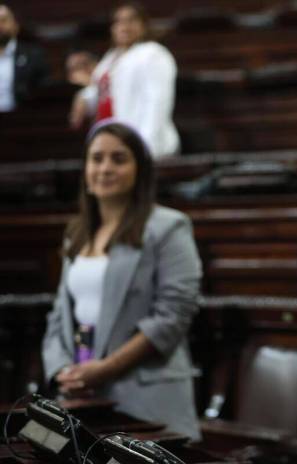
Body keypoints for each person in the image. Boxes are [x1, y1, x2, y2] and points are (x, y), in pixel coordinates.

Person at [41, 119, 201, 441]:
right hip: (82, 396)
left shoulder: (168, 227)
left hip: (146, 396)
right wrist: (62, 372)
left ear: (139, 169)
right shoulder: (77, 232)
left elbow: (173, 314)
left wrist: (108, 368)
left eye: (119, 158)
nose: (105, 168)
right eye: (96, 158)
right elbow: (59, 317)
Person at [69, 2, 180, 158]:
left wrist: (145, 147)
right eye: (118, 21)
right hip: (113, 141)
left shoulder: (153, 54)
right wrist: (85, 98)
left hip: (144, 143)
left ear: (143, 25)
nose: (124, 26)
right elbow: (104, 91)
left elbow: (158, 102)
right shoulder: (112, 56)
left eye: (131, 20)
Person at [0, 3, 48, 112]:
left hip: (22, 120)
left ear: (16, 26)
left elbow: (43, 91)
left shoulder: (33, 56)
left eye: (3, 20)